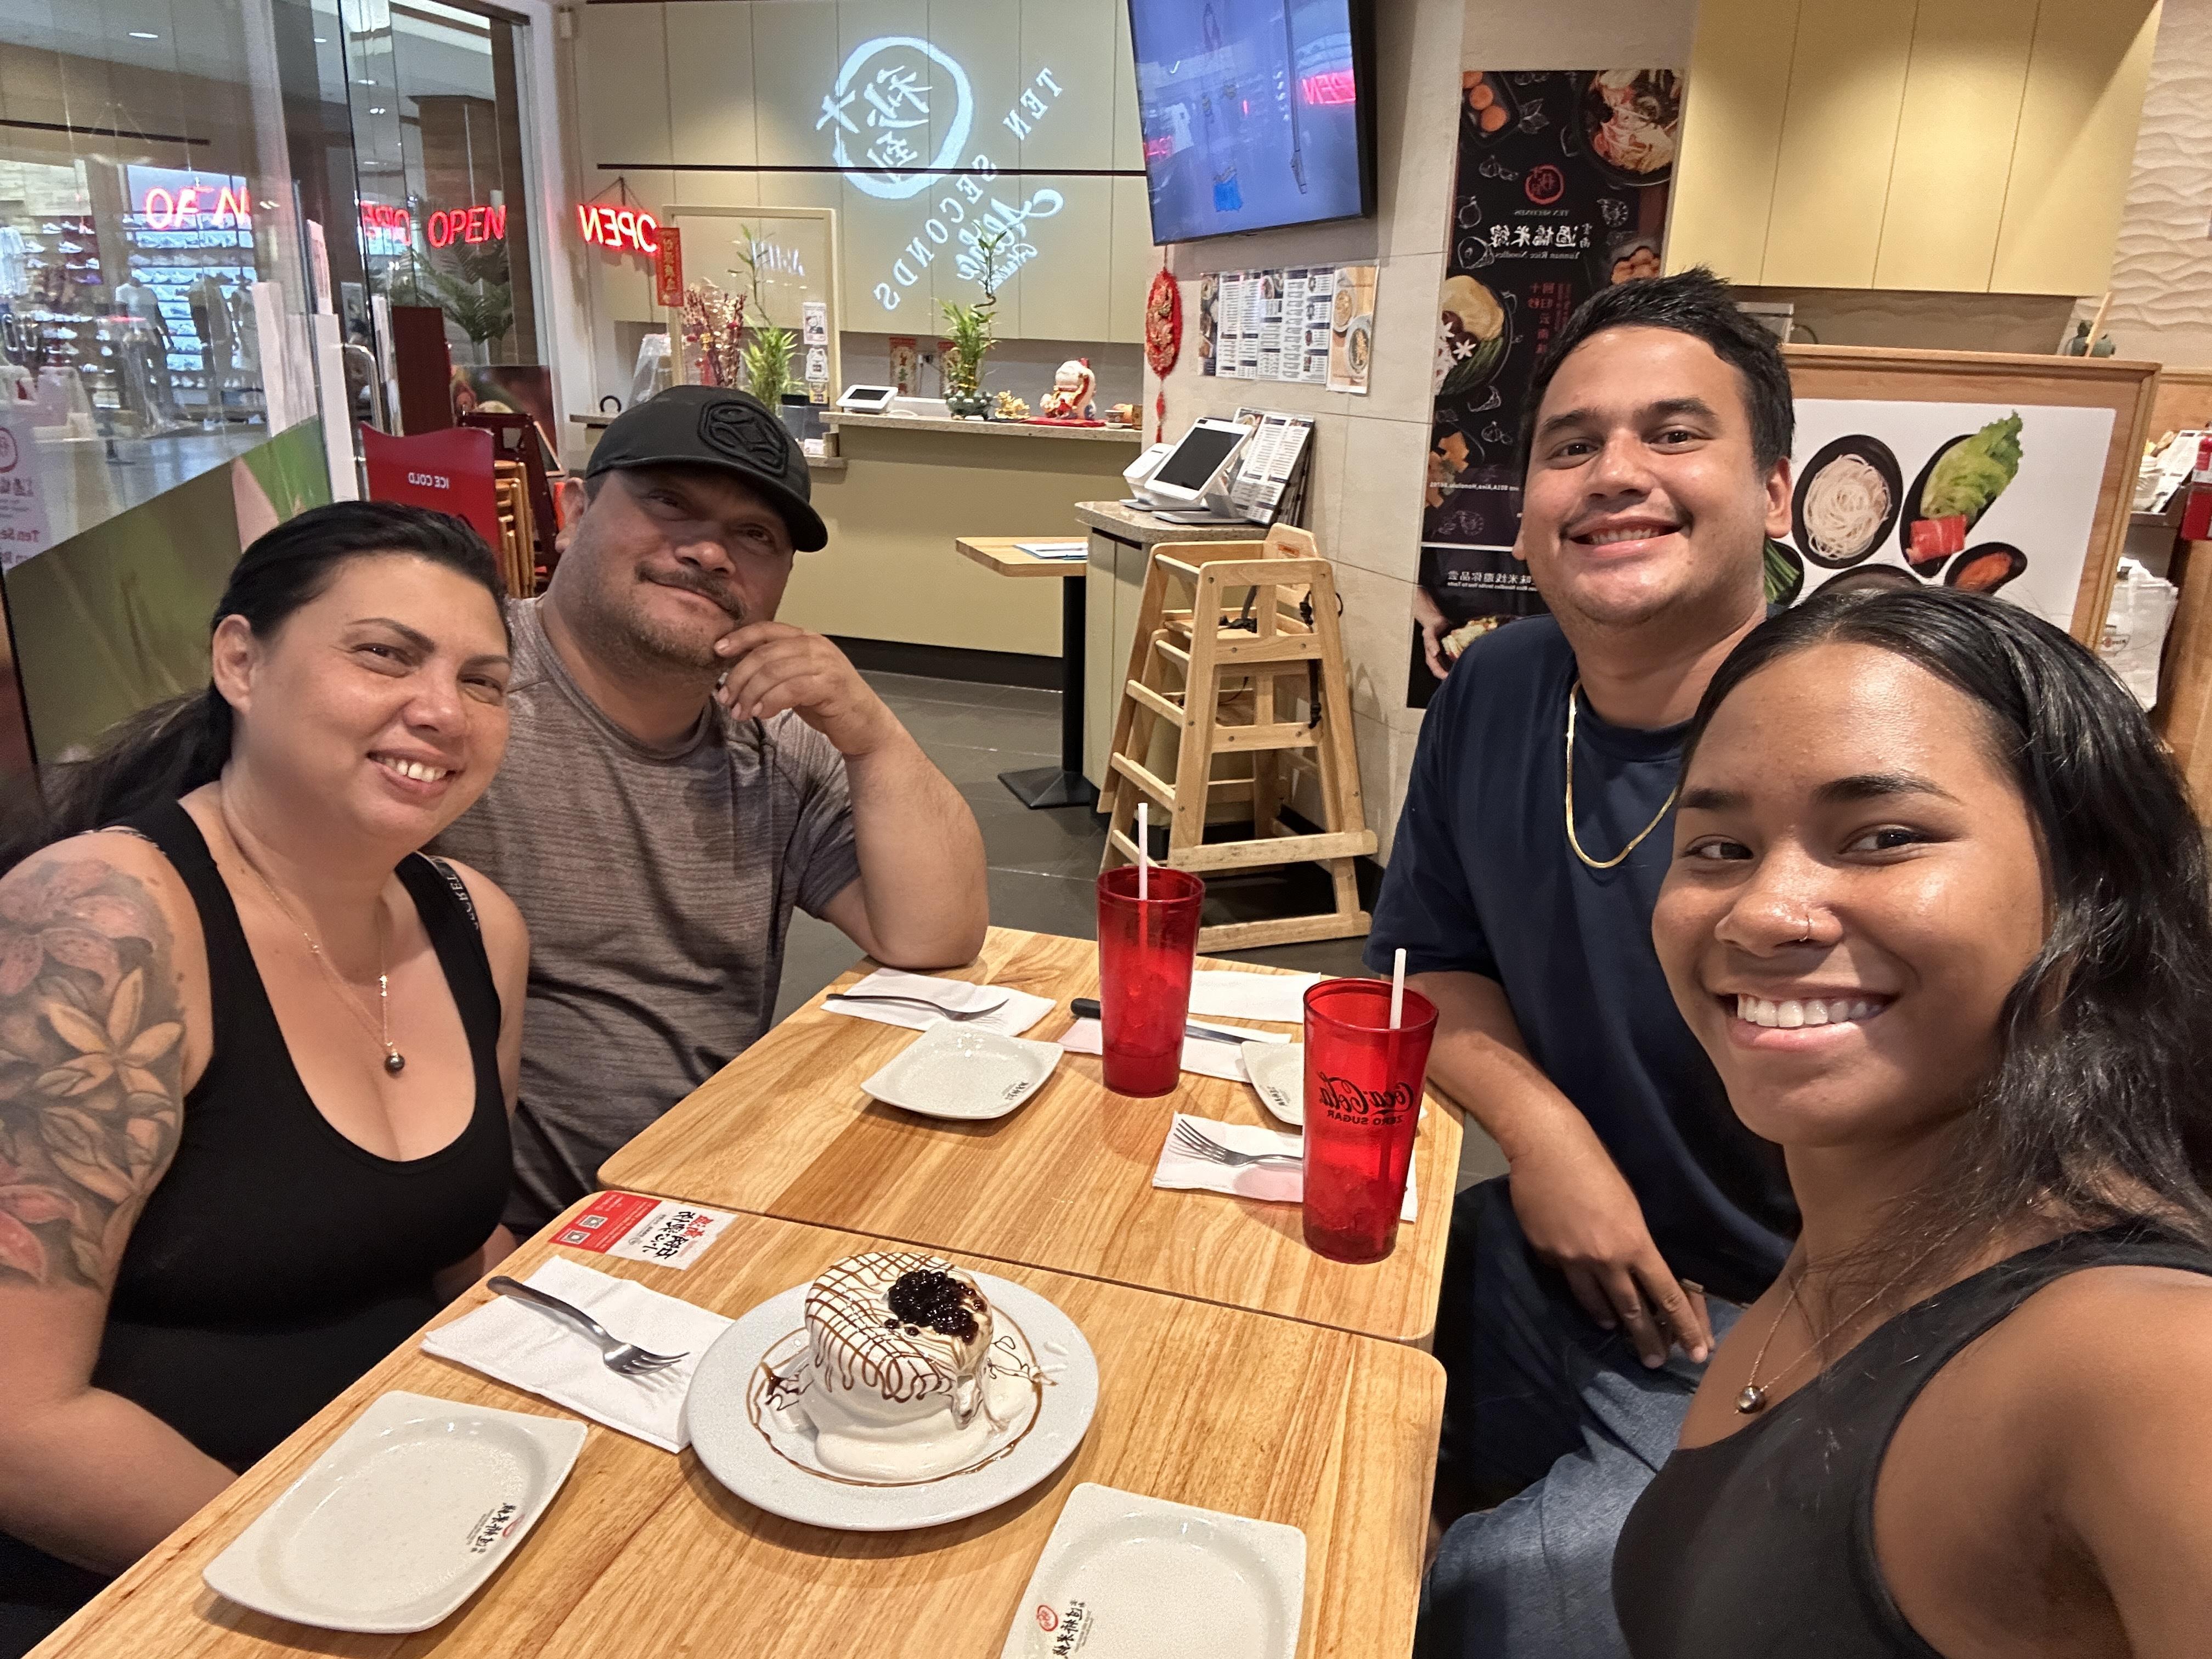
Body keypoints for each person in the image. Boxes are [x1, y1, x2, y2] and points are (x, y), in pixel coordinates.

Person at [1620, 588, 2212, 1655]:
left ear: (2090, 897)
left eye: (1884, 837)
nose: (1763, 909)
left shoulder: (2152, 1363)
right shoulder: (1855, 1244)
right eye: (1718, 849)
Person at [0, 503, 526, 1656]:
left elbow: (450, 1257)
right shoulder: (105, 924)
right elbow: (17, 1425)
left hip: (415, 1514)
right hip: (152, 1589)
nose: (441, 709)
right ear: (240, 659)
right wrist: (340, 1580)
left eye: (483, 682)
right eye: (384, 654)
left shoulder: (475, 925)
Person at [1371, 269, 1801, 1656]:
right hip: (1551, 1255)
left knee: (1498, 1602)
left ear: (1777, 493)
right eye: (1573, 445)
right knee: (1273, 1417)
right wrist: (1549, 1137)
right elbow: (1427, 962)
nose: (1616, 474)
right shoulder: (1497, 688)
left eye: (1676, 435)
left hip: (1793, 1318)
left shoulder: (1863, 720)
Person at [433, 385, 988, 1234]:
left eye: (754, 536)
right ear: (573, 510)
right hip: (500, 1242)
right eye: (669, 503)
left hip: (702, 1209)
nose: (709, 552)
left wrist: (870, 733)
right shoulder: (458, 700)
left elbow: (936, 934)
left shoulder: (770, 735)